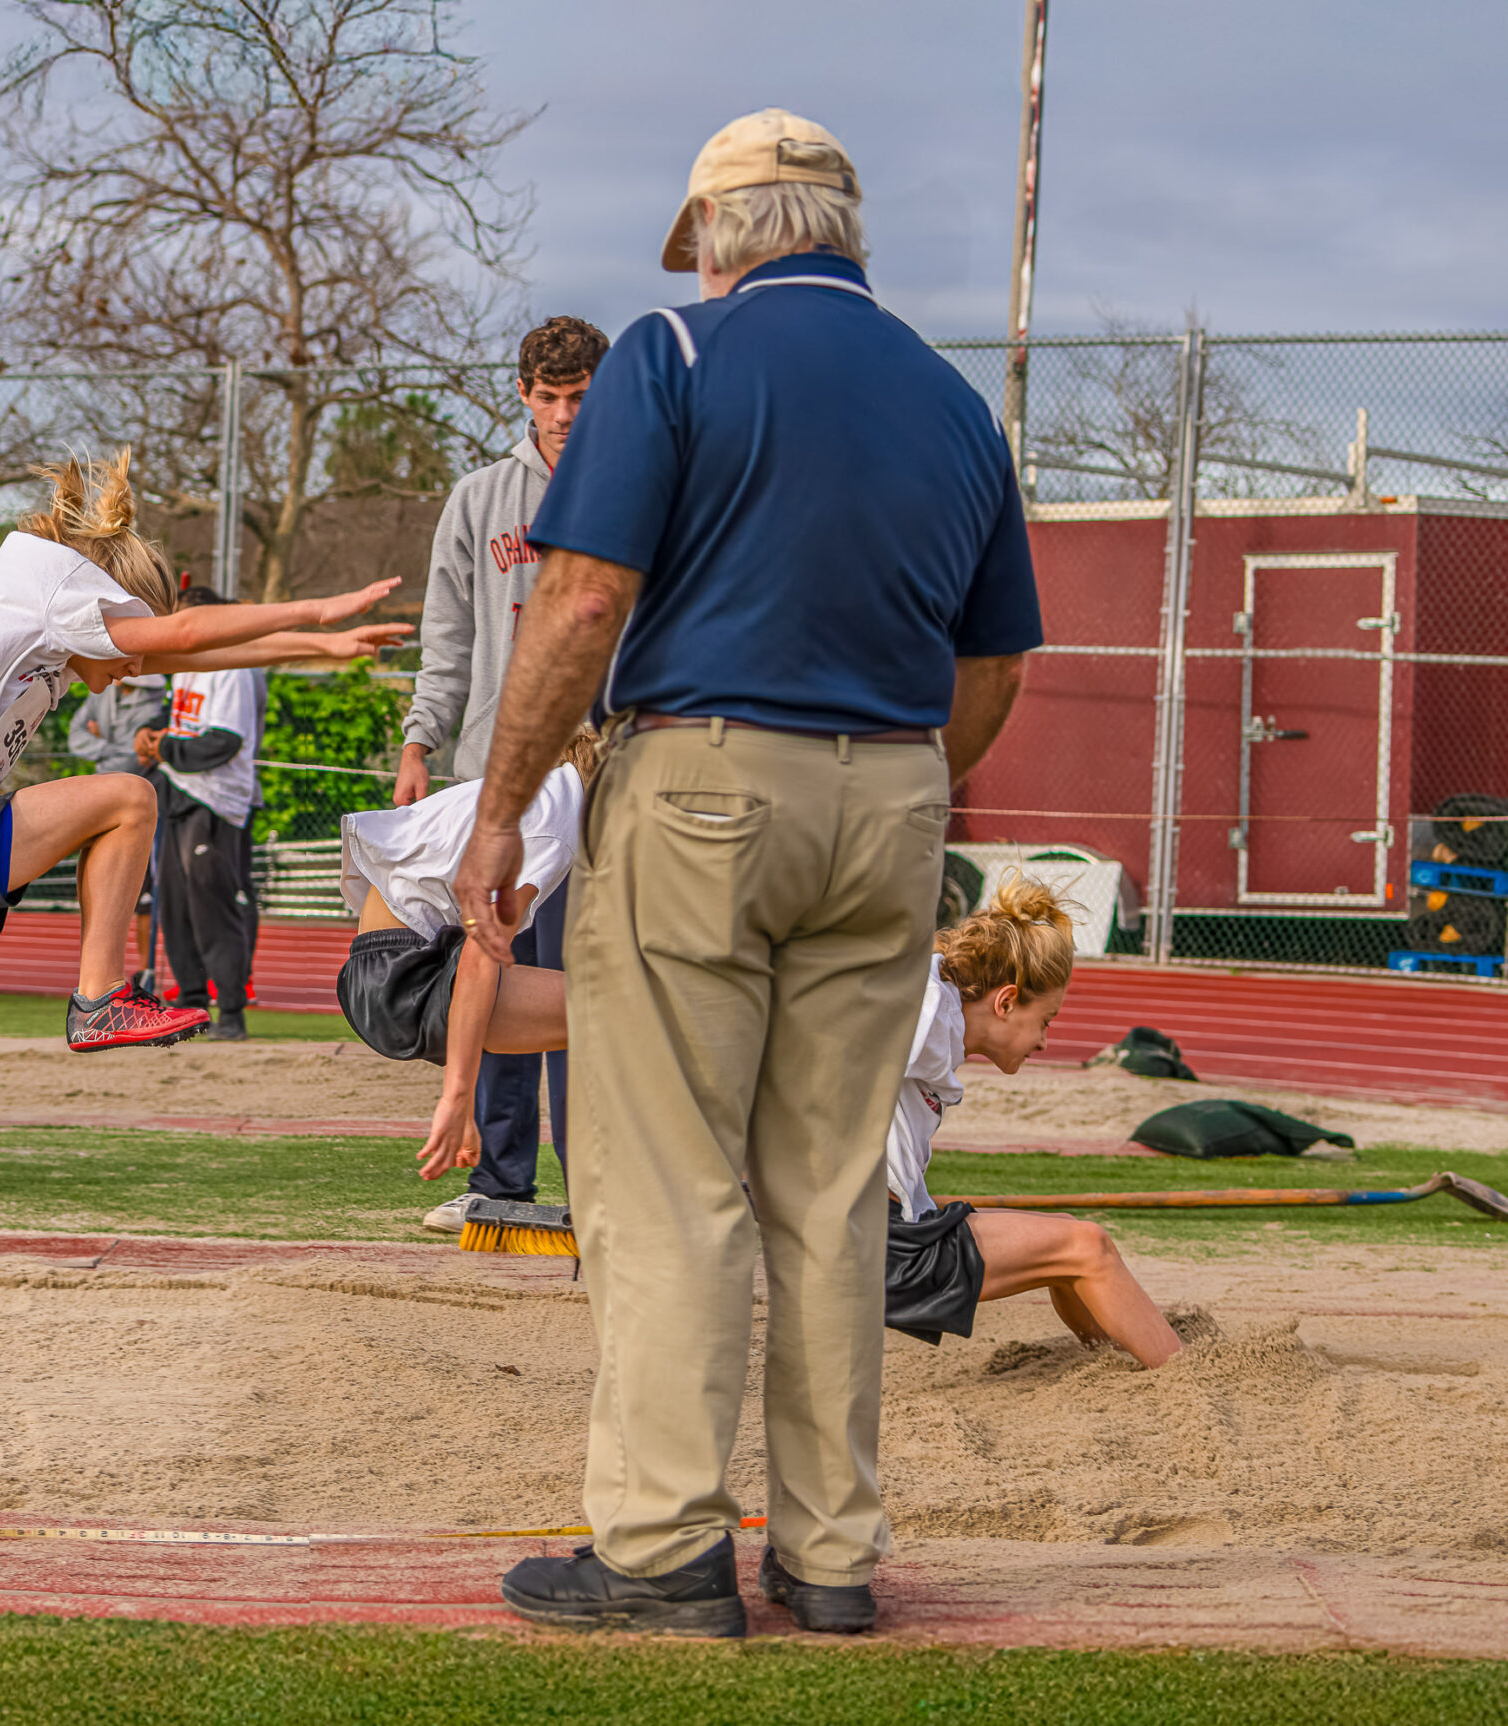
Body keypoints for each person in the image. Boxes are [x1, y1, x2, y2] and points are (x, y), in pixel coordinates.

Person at [455, 109, 1039, 1638]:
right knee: (834, 1187)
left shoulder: (677, 353)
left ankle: (660, 1545)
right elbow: (993, 663)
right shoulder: (952, 398)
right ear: (845, 235)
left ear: (717, 235)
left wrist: (502, 809)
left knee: (663, 1177)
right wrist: (908, 779)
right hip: (898, 796)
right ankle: (831, 1553)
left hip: (704, 775)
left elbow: (580, 599)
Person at [0, 455, 406, 1051]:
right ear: (108, 607)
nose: (132, 671)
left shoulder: (38, 628)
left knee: (123, 803)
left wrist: (323, 647)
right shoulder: (55, 601)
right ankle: (99, 999)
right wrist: (317, 608)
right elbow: (184, 635)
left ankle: (99, 998)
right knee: (131, 797)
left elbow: (187, 655)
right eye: (127, 646)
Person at [399, 315, 607, 1237]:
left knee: (591, 984)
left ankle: (599, 1179)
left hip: (608, 785)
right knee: (497, 972)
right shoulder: (480, 500)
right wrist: (418, 742)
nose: (564, 414)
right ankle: (502, 1184)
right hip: (499, 782)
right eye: (549, 397)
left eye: (581, 398)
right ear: (521, 394)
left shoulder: (642, 491)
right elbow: (445, 642)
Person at [881, 883, 1183, 1366]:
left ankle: (1111, 1367)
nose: (1044, 1041)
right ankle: (1189, 1378)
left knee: (1068, 1238)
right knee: (1088, 1245)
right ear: (1005, 1002)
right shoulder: (928, 1008)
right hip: (874, 1245)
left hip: (883, 1232)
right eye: (1046, 1020)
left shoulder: (937, 1011)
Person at [334, 729, 599, 1179]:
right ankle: (625, 1188)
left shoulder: (521, 792)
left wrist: (464, 1101)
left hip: (385, 969)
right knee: (625, 1016)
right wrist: (456, 1100)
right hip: (401, 980)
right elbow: (480, 955)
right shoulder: (555, 826)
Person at [134, 593, 264, 1039]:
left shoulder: (230, 666)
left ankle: (230, 1010)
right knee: (174, 906)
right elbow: (170, 715)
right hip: (178, 792)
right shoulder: (186, 663)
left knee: (212, 907)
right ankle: (189, 1004)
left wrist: (164, 747)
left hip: (216, 801)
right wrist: (148, 735)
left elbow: (224, 741)